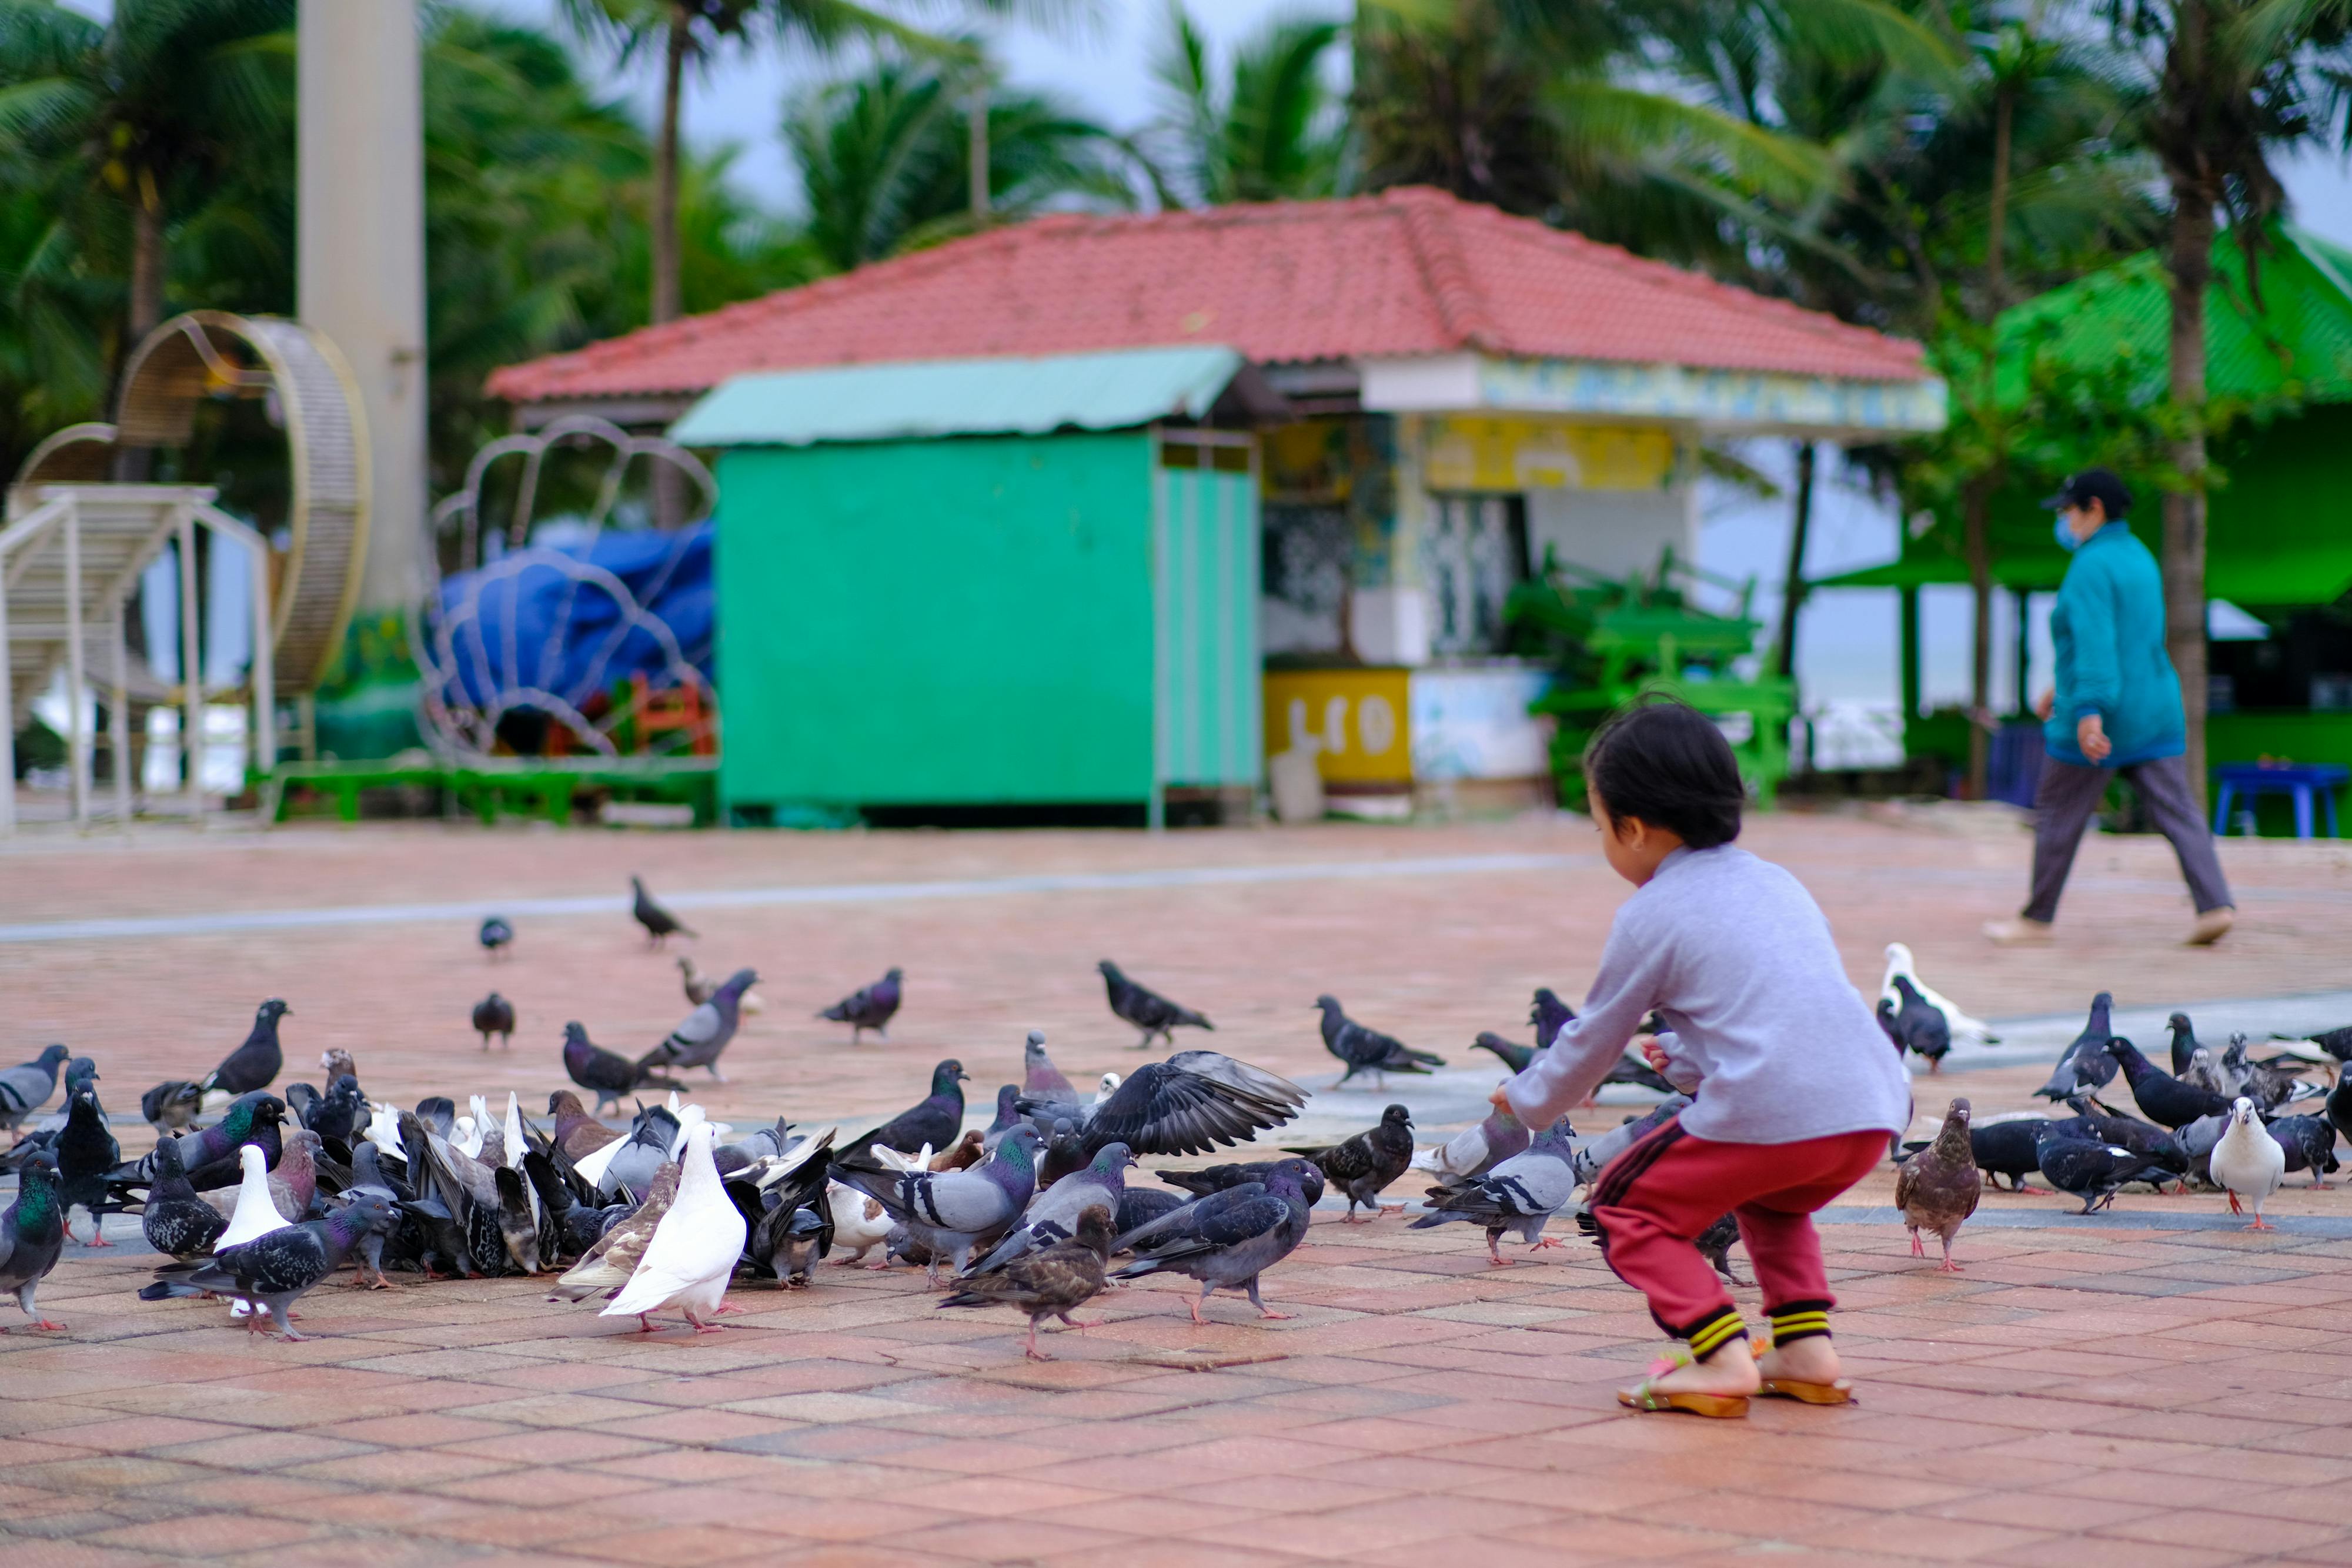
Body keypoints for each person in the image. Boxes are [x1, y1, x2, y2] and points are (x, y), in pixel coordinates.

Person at [1495, 700, 1910, 1418]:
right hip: (1871, 1105)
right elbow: (1781, 1013)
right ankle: (1806, 1349)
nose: (1604, 842)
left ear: (1632, 827)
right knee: (1772, 1198)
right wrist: (1687, 1060)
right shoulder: (1777, 883)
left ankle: (1718, 1358)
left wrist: (1527, 1099)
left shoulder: (1651, 912)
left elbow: (1591, 1039)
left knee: (1626, 1206)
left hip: (1776, 1107)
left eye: (1600, 828)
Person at [1982, 469, 2234, 947]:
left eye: (2067, 510)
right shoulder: (2139, 557)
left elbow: (2097, 644)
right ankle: (2215, 904)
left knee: (2058, 811)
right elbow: (2128, 639)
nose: (2063, 520)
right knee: (2178, 810)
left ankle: (2036, 919)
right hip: (2156, 708)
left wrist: (2089, 711)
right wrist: (2060, 688)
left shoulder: (2090, 566)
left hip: (2105, 717)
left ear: (2093, 509)